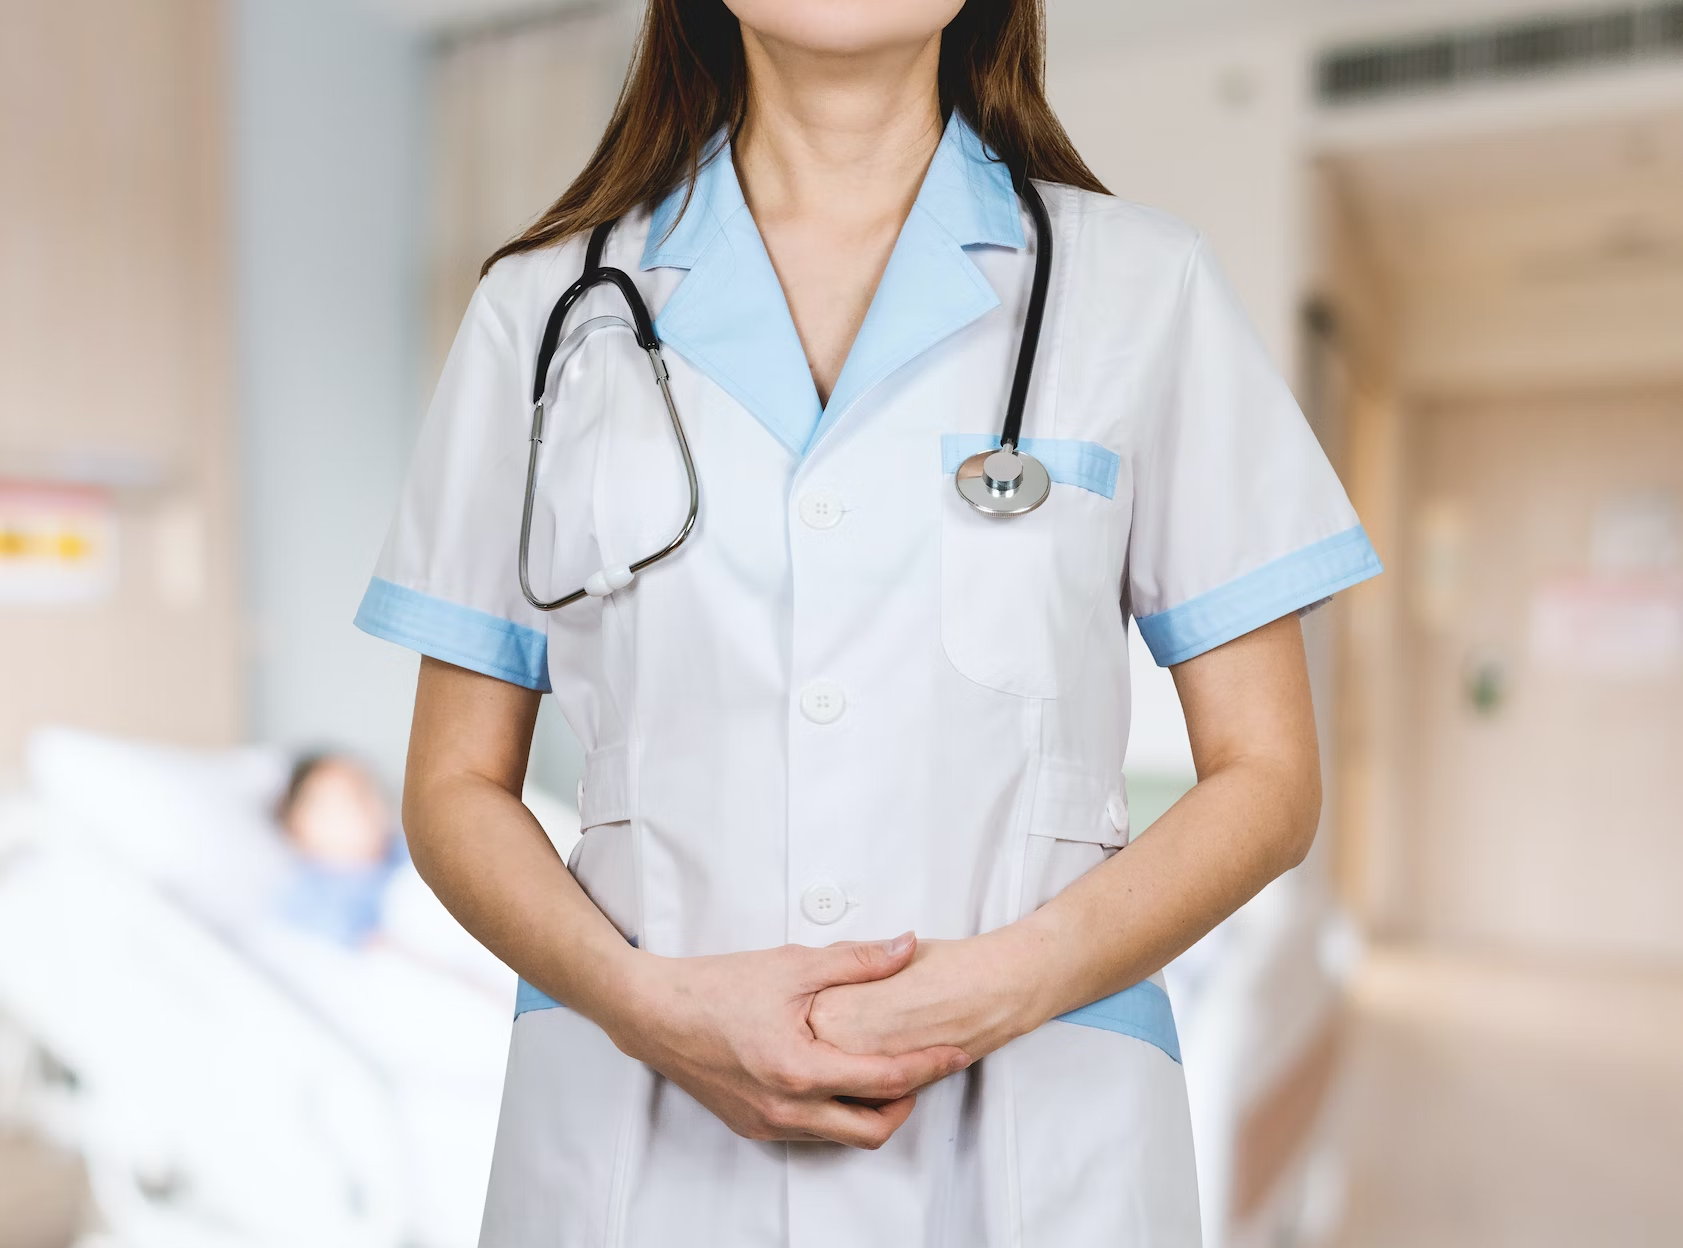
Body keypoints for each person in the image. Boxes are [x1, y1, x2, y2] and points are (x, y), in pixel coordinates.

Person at [353, 1, 1382, 1243]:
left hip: (1036, 1143)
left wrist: (1002, 989)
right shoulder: (545, 312)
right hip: (641, 1144)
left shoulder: (1139, 290)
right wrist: (646, 1005)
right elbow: (455, 786)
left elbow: (1267, 781)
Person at [273, 752, 403, 948]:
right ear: (298, 825)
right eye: (345, 801)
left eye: (368, 791)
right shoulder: (312, 895)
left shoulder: (406, 854)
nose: (364, 809)